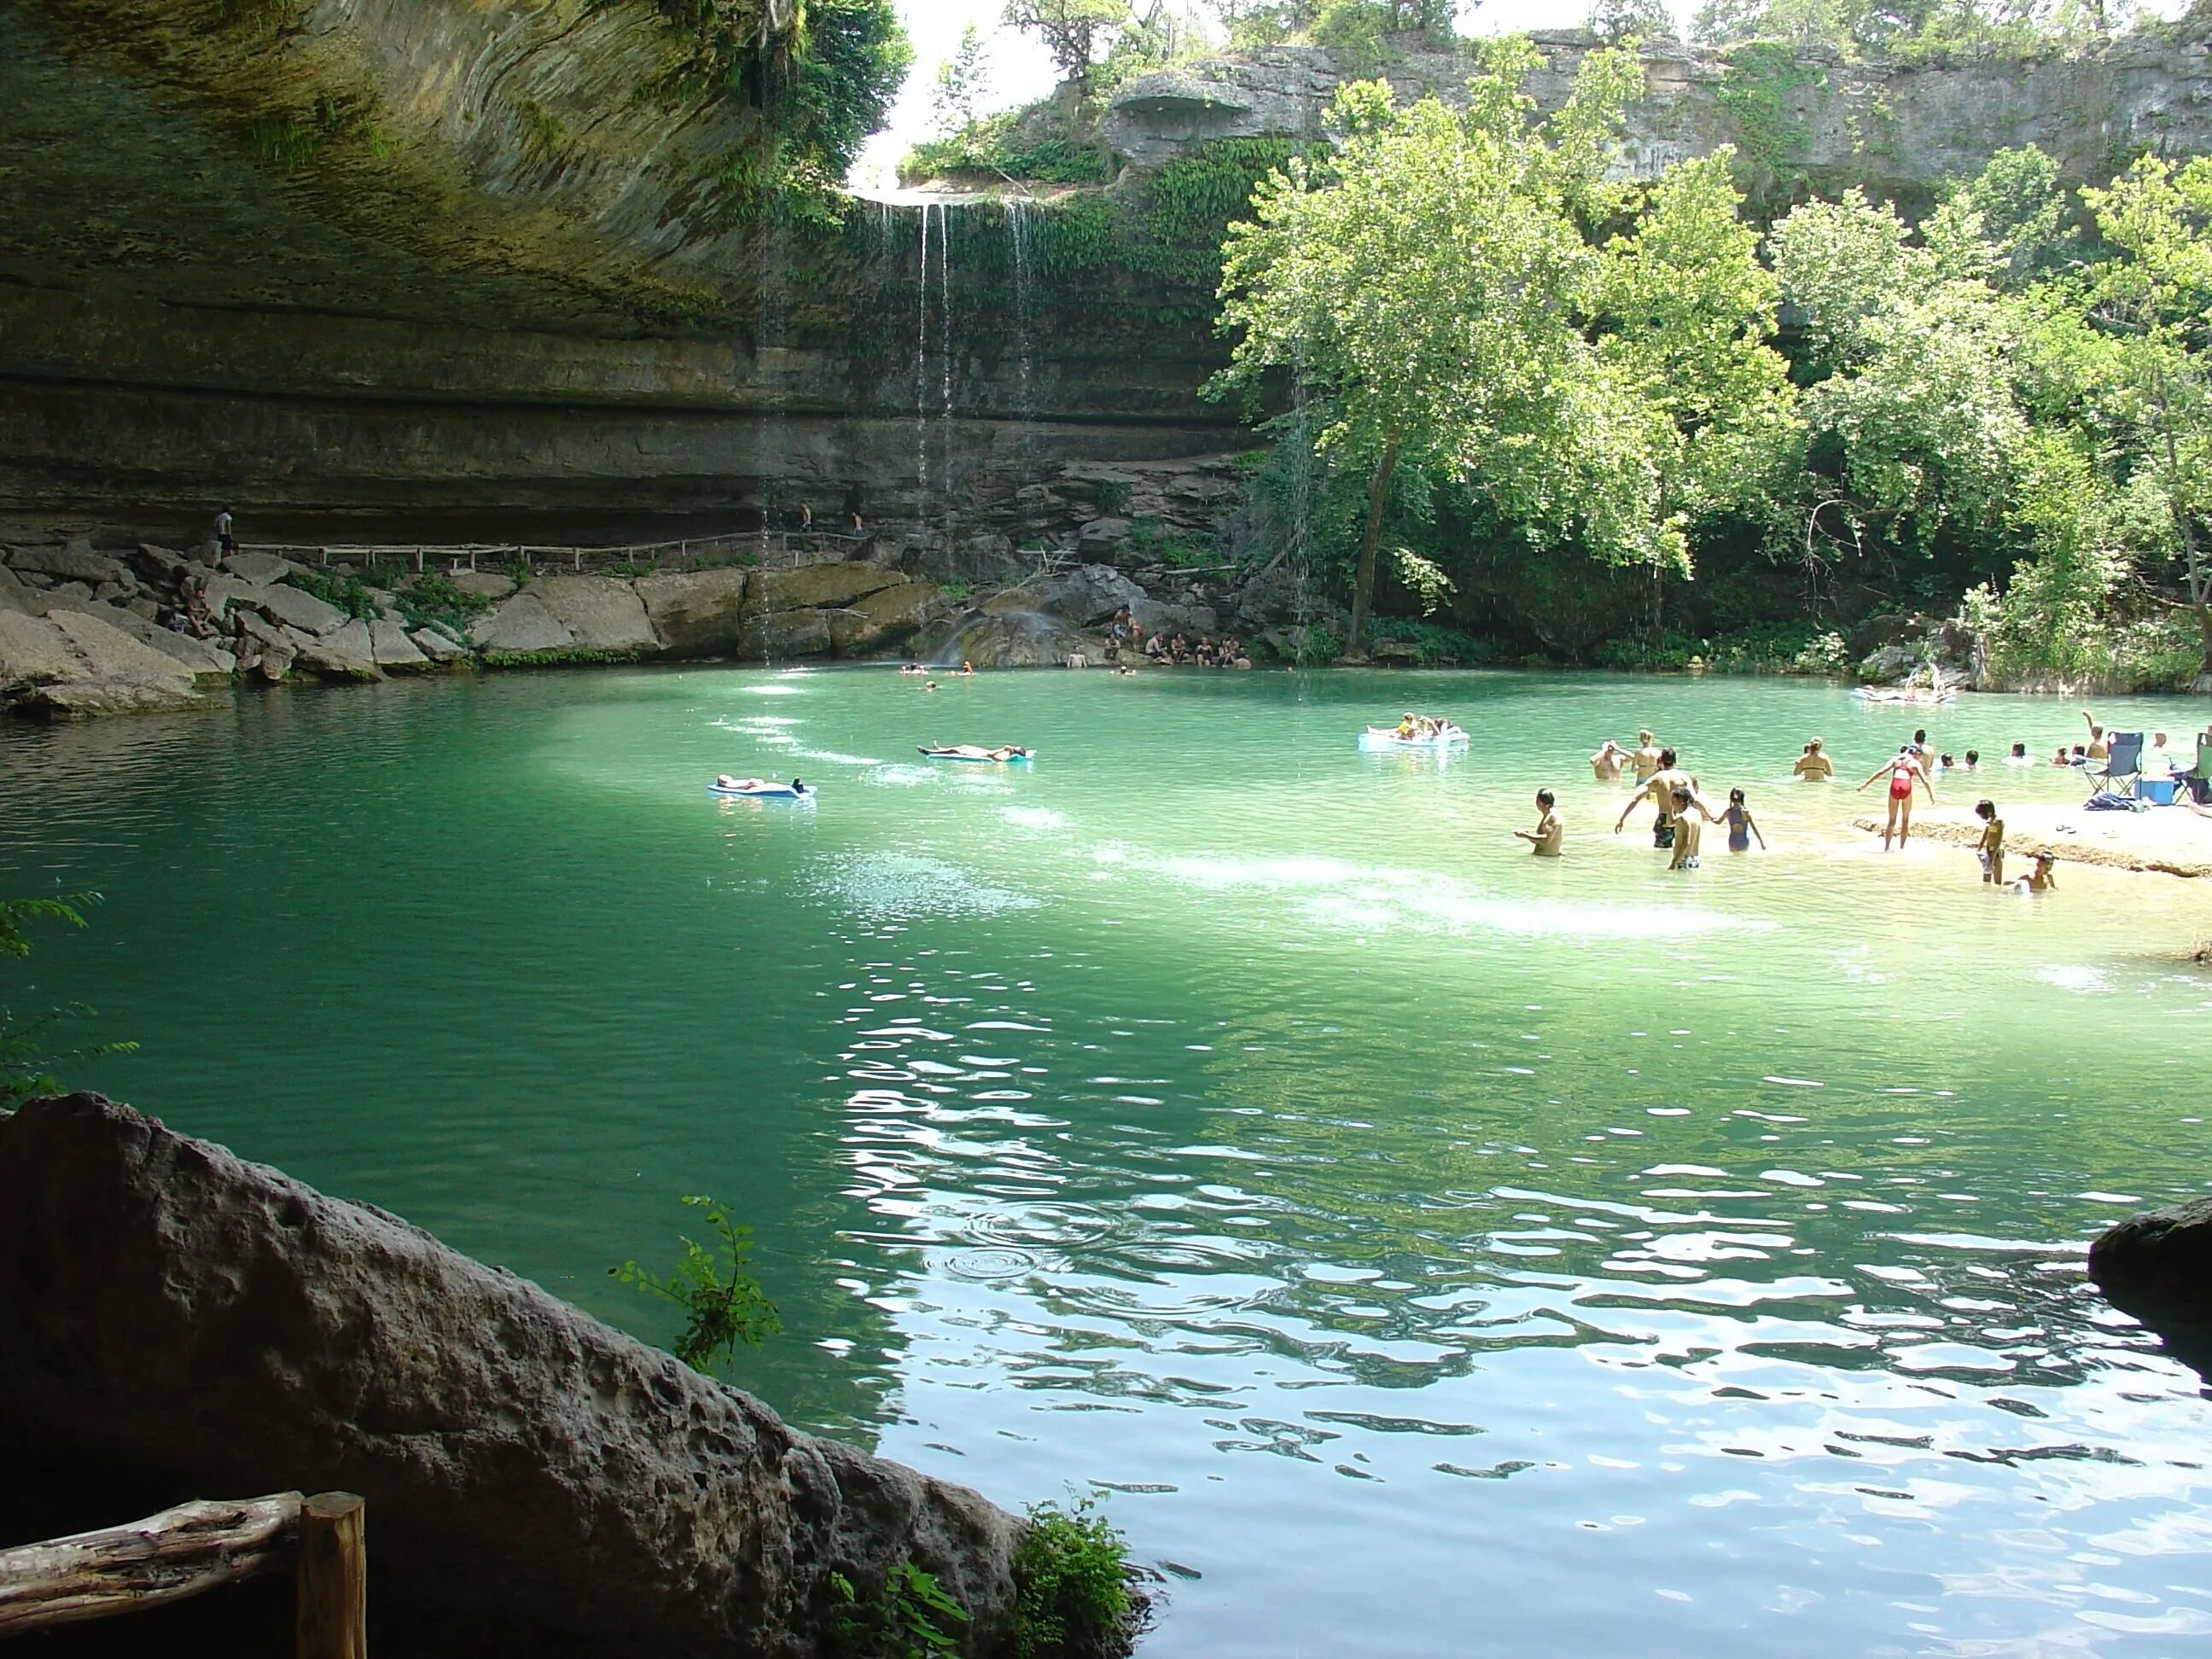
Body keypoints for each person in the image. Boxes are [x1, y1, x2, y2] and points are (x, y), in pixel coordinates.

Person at [1615, 748, 1700, 848]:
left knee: (1662, 853)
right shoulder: (1683, 777)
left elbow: (1635, 799)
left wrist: (1621, 820)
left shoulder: (1657, 778)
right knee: (1681, 850)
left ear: (1661, 760)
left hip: (1664, 820)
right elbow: (1695, 800)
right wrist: (1710, 816)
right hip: (1682, 819)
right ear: (1675, 761)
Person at [1857, 744, 1935, 850]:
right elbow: (1925, 781)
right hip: (1906, 786)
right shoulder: (1915, 763)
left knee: (1892, 820)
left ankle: (1886, 848)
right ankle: (1902, 848)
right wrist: (1931, 796)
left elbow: (1881, 772)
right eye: (1919, 756)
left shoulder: (1896, 759)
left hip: (1895, 786)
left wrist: (1865, 784)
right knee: (1905, 819)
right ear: (1916, 754)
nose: (1920, 759)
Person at [1668, 788, 1713, 870]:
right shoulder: (1697, 813)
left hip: (1683, 861)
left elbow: (1686, 843)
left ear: (1681, 800)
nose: (1673, 804)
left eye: (1674, 801)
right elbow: (1670, 823)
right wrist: (1671, 806)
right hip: (1695, 859)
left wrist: (1673, 863)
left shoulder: (1683, 818)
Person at [1515, 789, 1564, 857]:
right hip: (1543, 860)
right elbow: (1539, 841)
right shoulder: (1548, 815)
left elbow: (1546, 840)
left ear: (1539, 802)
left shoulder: (1553, 817)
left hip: (1548, 860)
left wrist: (1524, 835)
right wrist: (1528, 835)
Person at [1722, 788, 1767, 853]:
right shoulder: (1746, 813)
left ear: (1731, 798)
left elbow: (1718, 822)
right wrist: (1761, 842)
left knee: (1733, 860)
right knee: (1743, 860)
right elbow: (1754, 829)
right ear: (1742, 799)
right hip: (1744, 842)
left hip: (1732, 842)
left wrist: (1710, 816)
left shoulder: (1728, 812)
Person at [1973, 799, 2005, 886]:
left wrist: (1993, 855)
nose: (1981, 816)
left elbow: (1999, 839)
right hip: (1988, 849)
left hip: (1997, 851)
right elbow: (1985, 834)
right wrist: (1979, 849)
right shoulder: (1989, 821)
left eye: (1981, 814)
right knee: (1986, 878)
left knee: (1997, 879)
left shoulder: (1998, 822)